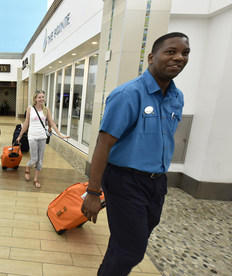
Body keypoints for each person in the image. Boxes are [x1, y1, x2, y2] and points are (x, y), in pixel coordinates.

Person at [81, 32, 190, 276]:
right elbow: (103, 144)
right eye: (171, 51)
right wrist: (92, 192)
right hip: (124, 181)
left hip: (157, 182)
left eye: (185, 53)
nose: (179, 58)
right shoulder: (128, 95)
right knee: (132, 249)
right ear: (151, 57)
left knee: (125, 243)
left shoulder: (177, 97)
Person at [16, 90, 68, 188]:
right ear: (35, 98)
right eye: (39, 97)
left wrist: (59, 134)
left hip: (42, 137)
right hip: (32, 136)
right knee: (34, 159)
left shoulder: (46, 110)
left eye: (43, 97)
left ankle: (36, 179)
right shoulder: (30, 109)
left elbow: (51, 122)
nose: (41, 99)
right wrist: (20, 135)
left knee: (40, 160)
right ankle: (27, 166)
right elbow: (26, 123)